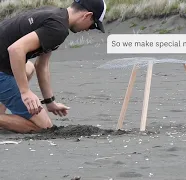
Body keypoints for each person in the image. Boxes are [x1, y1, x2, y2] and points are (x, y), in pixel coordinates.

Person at [0, 0, 107, 133]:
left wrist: (50, 102)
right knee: (43, 128)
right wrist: (25, 92)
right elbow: (15, 50)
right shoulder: (58, 28)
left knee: (28, 68)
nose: (88, 30)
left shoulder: (55, 15)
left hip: (4, 61)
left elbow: (41, 65)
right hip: (3, 66)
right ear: (87, 15)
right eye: (93, 25)